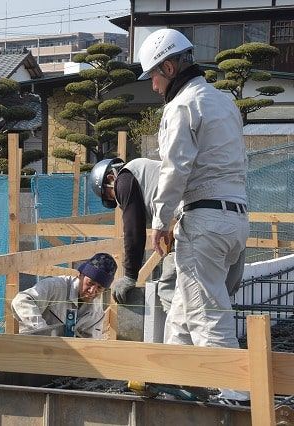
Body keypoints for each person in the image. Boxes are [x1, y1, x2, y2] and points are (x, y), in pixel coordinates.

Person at [137, 28, 250, 404]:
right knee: (185, 307)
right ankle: (175, 375)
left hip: (204, 219)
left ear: (169, 67)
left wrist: (159, 222)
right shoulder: (223, 101)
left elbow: (174, 169)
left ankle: (235, 392)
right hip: (233, 217)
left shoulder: (182, 105)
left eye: (153, 75)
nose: (153, 85)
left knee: (206, 311)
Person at [90, 158, 246, 314]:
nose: (117, 202)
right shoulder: (148, 172)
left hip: (203, 224)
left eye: (111, 196)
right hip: (237, 221)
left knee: (169, 290)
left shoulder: (124, 179)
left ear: (110, 178)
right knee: (222, 296)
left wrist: (130, 275)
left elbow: (133, 229)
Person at [11, 253, 117, 338]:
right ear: (80, 275)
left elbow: (91, 345)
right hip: (32, 349)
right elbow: (21, 301)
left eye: (99, 288)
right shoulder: (55, 286)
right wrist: (43, 331)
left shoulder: (96, 314)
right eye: (90, 283)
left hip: (64, 359)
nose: (92, 291)